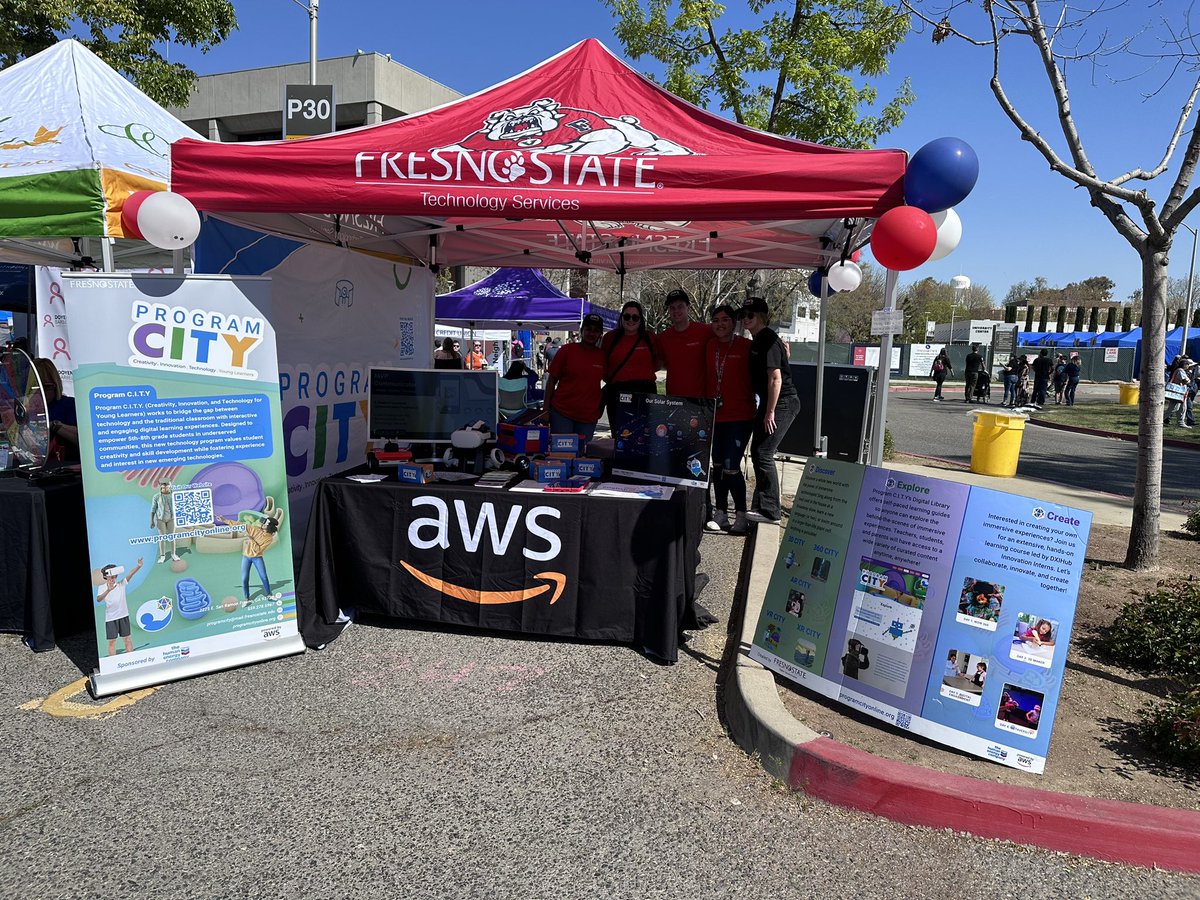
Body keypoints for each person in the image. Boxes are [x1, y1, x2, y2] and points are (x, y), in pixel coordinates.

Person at [741, 296, 799, 523]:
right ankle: (761, 506)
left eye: (750, 315)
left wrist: (770, 411)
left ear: (762, 317)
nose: (745, 319)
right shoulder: (759, 339)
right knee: (758, 452)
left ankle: (771, 511)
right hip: (768, 401)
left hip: (782, 402)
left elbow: (776, 379)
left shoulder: (768, 339)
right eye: (743, 315)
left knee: (764, 453)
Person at [703, 304, 756, 534]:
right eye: (715, 320)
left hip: (740, 415)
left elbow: (770, 364)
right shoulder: (709, 346)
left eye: (725, 319)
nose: (720, 324)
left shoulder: (746, 346)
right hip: (715, 414)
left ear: (734, 323)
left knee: (731, 466)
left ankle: (741, 515)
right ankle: (721, 513)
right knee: (717, 465)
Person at [541, 314, 606, 442]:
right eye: (588, 329)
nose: (591, 333)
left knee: (583, 454)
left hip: (588, 418)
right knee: (561, 453)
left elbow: (609, 381)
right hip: (562, 414)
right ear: (581, 331)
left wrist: (599, 406)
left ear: (600, 334)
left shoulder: (603, 356)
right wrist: (545, 410)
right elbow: (551, 381)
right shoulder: (566, 350)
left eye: (596, 330)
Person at [600, 300, 659, 428]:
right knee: (619, 435)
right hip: (617, 393)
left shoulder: (650, 338)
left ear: (640, 319)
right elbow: (603, 364)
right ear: (621, 318)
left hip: (645, 392)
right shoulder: (610, 338)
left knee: (644, 434)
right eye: (627, 316)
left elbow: (658, 363)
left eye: (635, 317)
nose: (630, 320)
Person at [656, 287, 712, 397]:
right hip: (673, 399)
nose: (676, 311)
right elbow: (659, 364)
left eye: (680, 306)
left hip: (699, 400)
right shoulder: (663, 338)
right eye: (672, 308)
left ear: (688, 308)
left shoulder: (705, 331)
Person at [219, 513, 280, 607]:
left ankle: (269, 595)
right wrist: (224, 520)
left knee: (263, 577)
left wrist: (251, 538)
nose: (262, 524)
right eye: (263, 523)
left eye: (265, 523)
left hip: (257, 557)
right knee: (244, 578)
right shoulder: (254, 529)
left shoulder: (269, 538)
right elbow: (240, 525)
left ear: (269, 527)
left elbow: (258, 550)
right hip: (246, 557)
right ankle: (247, 599)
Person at [31, 356, 78, 462]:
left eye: (46, 387)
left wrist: (54, 426)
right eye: (35, 387)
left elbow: (84, 439)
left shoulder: (69, 405)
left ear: (55, 385)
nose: (40, 392)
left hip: (63, 465)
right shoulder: (23, 407)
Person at [97, 558, 143, 657]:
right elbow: (99, 599)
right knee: (112, 642)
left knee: (127, 639)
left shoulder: (121, 584)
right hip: (111, 618)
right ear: (106, 576)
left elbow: (130, 574)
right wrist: (108, 590)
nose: (114, 578)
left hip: (123, 616)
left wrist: (138, 566)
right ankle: (113, 662)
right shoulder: (102, 587)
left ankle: (131, 659)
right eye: (111, 576)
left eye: (115, 576)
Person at [149, 479, 180, 563]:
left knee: (172, 537)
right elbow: (153, 509)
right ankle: (162, 556)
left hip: (171, 519)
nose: (165, 489)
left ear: (170, 486)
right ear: (161, 487)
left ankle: (173, 554)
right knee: (162, 538)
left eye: (167, 487)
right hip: (160, 519)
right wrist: (151, 521)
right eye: (163, 487)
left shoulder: (174, 495)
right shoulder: (156, 496)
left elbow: (180, 506)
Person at [1165, 356, 1194, 428]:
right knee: (1173, 408)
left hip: (1182, 394)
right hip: (1177, 393)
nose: (1189, 366)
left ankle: (1181, 422)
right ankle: (1159, 419)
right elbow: (1185, 380)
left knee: (1182, 408)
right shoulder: (1180, 371)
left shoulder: (1182, 371)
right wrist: (1189, 380)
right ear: (1184, 365)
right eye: (1188, 365)